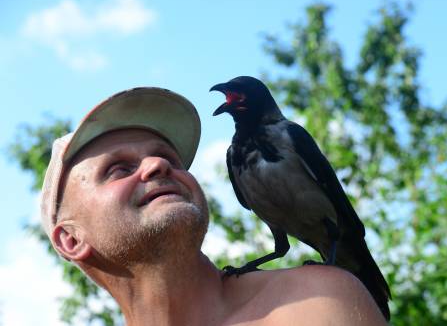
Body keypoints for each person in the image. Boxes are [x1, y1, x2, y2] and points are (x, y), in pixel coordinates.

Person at [40, 87, 387, 325]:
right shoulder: (237, 159)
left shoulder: (316, 298)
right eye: (119, 169)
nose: (157, 166)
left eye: (167, 158)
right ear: (70, 239)